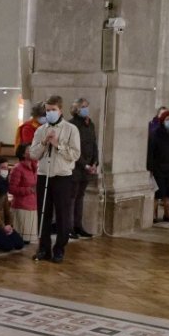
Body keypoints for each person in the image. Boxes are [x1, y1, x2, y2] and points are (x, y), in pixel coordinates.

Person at [28, 95, 81, 263]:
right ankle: (43, 248)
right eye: (48, 110)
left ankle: (59, 248)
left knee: (63, 215)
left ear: (60, 110)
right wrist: (44, 143)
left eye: (53, 110)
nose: (50, 113)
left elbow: (75, 154)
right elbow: (33, 154)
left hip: (62, 177)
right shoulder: (40, 130)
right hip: (44, 175)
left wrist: (58, 144)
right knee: (43, 212)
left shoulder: (71, 129)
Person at [68, 98, 98, 236]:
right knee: (72, 198)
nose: (86, 109)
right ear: (77, 109)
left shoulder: (90, 124)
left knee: (80, 197)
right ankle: (69, 228)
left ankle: (78, 225)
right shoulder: (71, 125)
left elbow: (93, 144)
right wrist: (84, 164)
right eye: (84, 107)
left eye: (87, 106)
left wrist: (95, 162)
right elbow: (72, 148)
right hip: (75, 167)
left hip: (87, 168)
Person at [8, 143, 38, 240]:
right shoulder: (17, 168)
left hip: (33, 206)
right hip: (21, 207)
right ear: (23, 154)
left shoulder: (35, 167)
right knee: (23, 241)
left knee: (30, 241)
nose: (33, 151)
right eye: (29, 150)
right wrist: (30, 189)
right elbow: (12, 189)